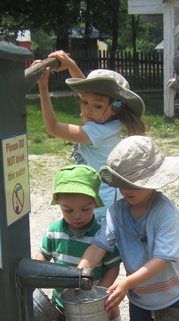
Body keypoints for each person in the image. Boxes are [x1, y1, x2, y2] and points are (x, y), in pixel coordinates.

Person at [78, 136, 179, 321]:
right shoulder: (116, 212)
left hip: (171, 297)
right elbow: (99, 246)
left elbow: (161, 259)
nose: (127, 190)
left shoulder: (166, 214)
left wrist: (127, 282)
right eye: (122, 183)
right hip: (139, 298)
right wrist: (81, 272)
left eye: (134, 184)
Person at [34, 51, 147, 219]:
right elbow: (87, 92)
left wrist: (43, 88)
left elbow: (53, 128)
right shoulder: (109, 123)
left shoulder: (97, 132)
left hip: (101, 207)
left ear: (116, 107)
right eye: (84, 102)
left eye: (97, 106)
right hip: (106, 203)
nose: (87, 110)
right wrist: (70, 64)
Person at [33, 164, 124, 321]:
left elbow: (113, 267)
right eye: (68, 210)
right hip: (61, 305)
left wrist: (100, 293)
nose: (77, 216)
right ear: (58, 203)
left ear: (95, 203)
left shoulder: (101, 235)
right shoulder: (54, 232)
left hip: (92, 307)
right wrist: (35, 275)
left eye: (85, 209)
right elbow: (42, 257)